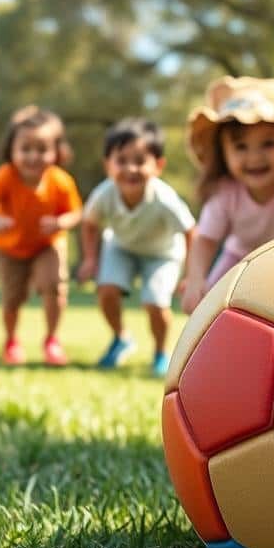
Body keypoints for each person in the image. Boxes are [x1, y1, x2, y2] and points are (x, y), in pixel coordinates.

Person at [181, 76, 274, 313]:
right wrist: (195, 279)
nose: (254, 157)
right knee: (210, 309)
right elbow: (206, 240)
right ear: (223, 152)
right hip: (239, 258)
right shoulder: (226, 191)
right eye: (241, 146)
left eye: (268, 144)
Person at [77, 118, 196, 377]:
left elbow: (191, 231)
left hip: (162, 254)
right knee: (106, 290)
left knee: (155, 302)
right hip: (121, 247)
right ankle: (121, 339)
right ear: (107, 165)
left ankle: (161, 353)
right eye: (121, 161)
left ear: (158, 166)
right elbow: (89, 223)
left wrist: (191, 274)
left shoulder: (164, 199)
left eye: (140, 161)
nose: (131, 168)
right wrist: (89, 259)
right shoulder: (104, 194)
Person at [0, 105, 83, 366]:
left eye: (42, 149)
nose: (34, 156)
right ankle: (11, 341)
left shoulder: (60, 181)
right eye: (25, 148)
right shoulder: (5, 177)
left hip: (47, 244)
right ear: (11, 150)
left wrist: (60, 222)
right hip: (10, 249)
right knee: (12, 298)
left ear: (56, 152)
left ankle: (52, 340)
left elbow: (77, 212)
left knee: (54, 286)